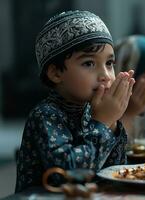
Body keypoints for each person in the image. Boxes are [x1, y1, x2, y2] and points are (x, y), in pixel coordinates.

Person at [15, 10, 135, 192]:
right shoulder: (46, 115)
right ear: (56, 73)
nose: (105, 75)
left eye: (109, 63)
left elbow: (114, 170)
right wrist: (102, 122)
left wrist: (112, 123)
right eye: (89, 63)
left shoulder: (90, 110)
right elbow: (67, 175)